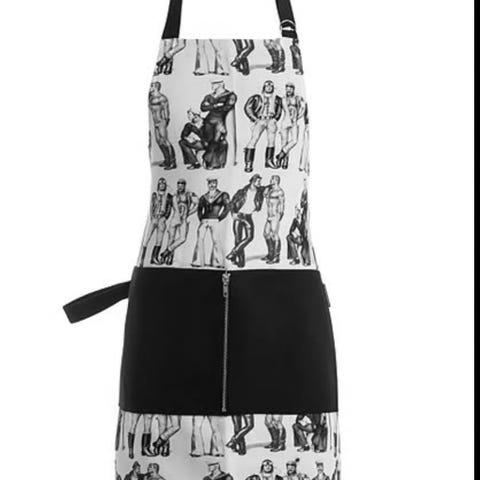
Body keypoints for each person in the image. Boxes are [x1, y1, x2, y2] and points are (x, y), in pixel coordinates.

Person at [228, 175, 268, 268]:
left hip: (248, 217)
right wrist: (233, 213)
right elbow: (231, 203)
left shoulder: (260, 191)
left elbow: (268, 187)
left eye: (260, 181)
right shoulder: (241, 192)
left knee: (250, 237)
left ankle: (233, 253)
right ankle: (241, 262)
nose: (260, 183)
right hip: (239, 215)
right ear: (253, 181)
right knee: (238, 239)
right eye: (258, 181)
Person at [244, 80, 283, 171]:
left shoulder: (277, 99)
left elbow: (279, 110)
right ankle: (248, 163)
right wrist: (255, 119)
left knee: (271, 141)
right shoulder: (256, 97)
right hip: (260, 120)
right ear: (264, 87)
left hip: (271, 120)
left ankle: (269, 161)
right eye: (267, 86)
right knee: (253, 140)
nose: (269, 88)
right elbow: (248, 108)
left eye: (270, 86)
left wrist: (275, 119)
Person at [192, 178, 230, 268]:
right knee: (200, 239)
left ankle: (217, 262)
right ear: (208, 184)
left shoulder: (222, 195)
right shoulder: (203, 197)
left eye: (214, 183)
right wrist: (201, 218)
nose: (212, 185)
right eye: (210, 183)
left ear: (216, 183)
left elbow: (227, 207)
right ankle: (198, 261)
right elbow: (199, 209)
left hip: (215, 220)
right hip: (204, 220)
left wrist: (220, 218)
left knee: (216, 240)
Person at [159, 179, 198, 265]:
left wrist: (189, 212)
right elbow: (168, 205)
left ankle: (167, 251)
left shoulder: (189, 194)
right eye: (179, 185)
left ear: (184, 186)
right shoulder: (174, 194)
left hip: (183, 218)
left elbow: (197, 204)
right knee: (171, 238)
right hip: (175, 218)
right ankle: (168, 258)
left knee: (182, 238)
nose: (180, 187)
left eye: (182, 185)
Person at [200, 81, 237, 169]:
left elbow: (226, 107)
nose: (212, 86)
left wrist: (211, 105)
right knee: (209, 141)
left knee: (216, 141)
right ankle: (213, 162)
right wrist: (215, 105)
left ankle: (211, 162)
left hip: (219, 122)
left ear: (221, 84)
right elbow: (203, 108)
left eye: (214, 84)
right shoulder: (209, 96)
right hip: (208, 121)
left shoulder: (230, 95)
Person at [139, 178, 173, 266]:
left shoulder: (168, 196)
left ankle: (154, 258)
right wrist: (152, 217)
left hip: (162, 219)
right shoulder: (155, 195)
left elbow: (169, 208)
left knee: (159, 240)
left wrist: (165, 217)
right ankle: (142, 258)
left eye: (163, 184)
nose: (162, 186)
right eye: (160, 184)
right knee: (147, 238)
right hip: (154, 218)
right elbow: (151, 206)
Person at [277, 83, 306, 169]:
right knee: (284, 142)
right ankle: (284, 161)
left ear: (293, 89)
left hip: (294, 122)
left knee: (294, 140)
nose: (289, 90)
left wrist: (298, 116)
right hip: (285, 121)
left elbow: (303, 108)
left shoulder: (298, 98)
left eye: (290, 88)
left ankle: (281, 154)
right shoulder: (283, 99)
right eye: (287, 88)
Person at [149, 82, 176, 169]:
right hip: (155, 122)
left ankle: (172, 162)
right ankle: (166, 160)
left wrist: (166, 120)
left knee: (165, 140)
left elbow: (166, 109)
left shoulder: (162, 98)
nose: (150, 88)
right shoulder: (151, 97)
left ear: (156, 87)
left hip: (161, 121)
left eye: (152, 86)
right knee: (159, 141)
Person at [263, 176, 285, 264]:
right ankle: (270, 254)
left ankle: (276, 257)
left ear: (276, 181)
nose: (270, 180)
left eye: (272, 179)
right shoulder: (270, 190)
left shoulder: (279, 191)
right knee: (266, 233)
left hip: (275, 215)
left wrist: (279, 215)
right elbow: (264, 195)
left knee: (274, 234)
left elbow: (282, 204)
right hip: (269, 215)